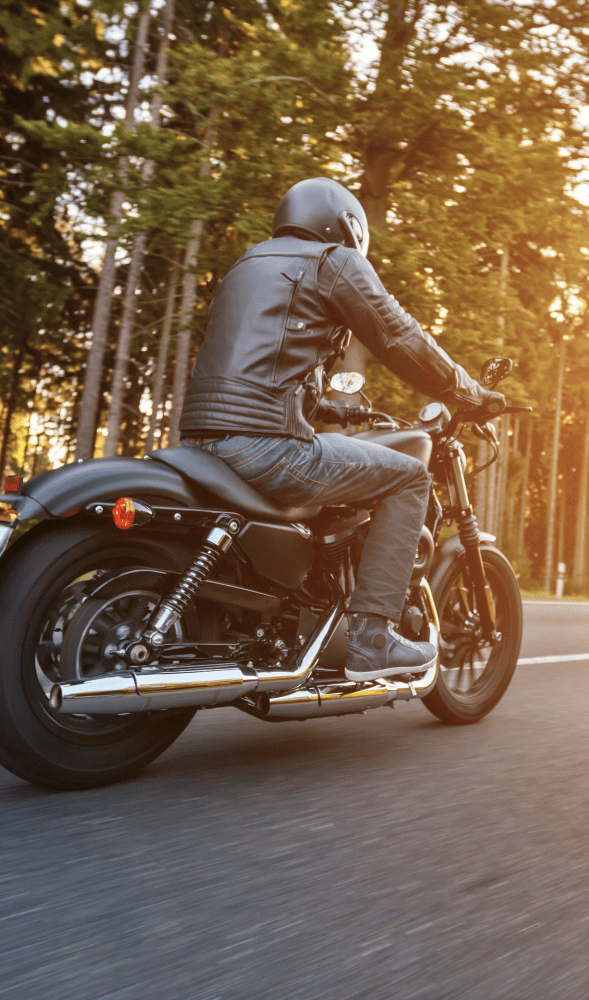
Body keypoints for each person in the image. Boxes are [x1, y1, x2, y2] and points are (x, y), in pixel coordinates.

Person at [179, 177, 503, 682]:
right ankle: (372, 639)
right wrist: (468, 393)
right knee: (410, 478)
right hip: (267, 446)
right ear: (348, 227)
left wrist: (330, 404)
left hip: (203, 439)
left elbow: (260, 362)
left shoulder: (248, 263)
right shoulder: (333, 261)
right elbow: (399, 338)